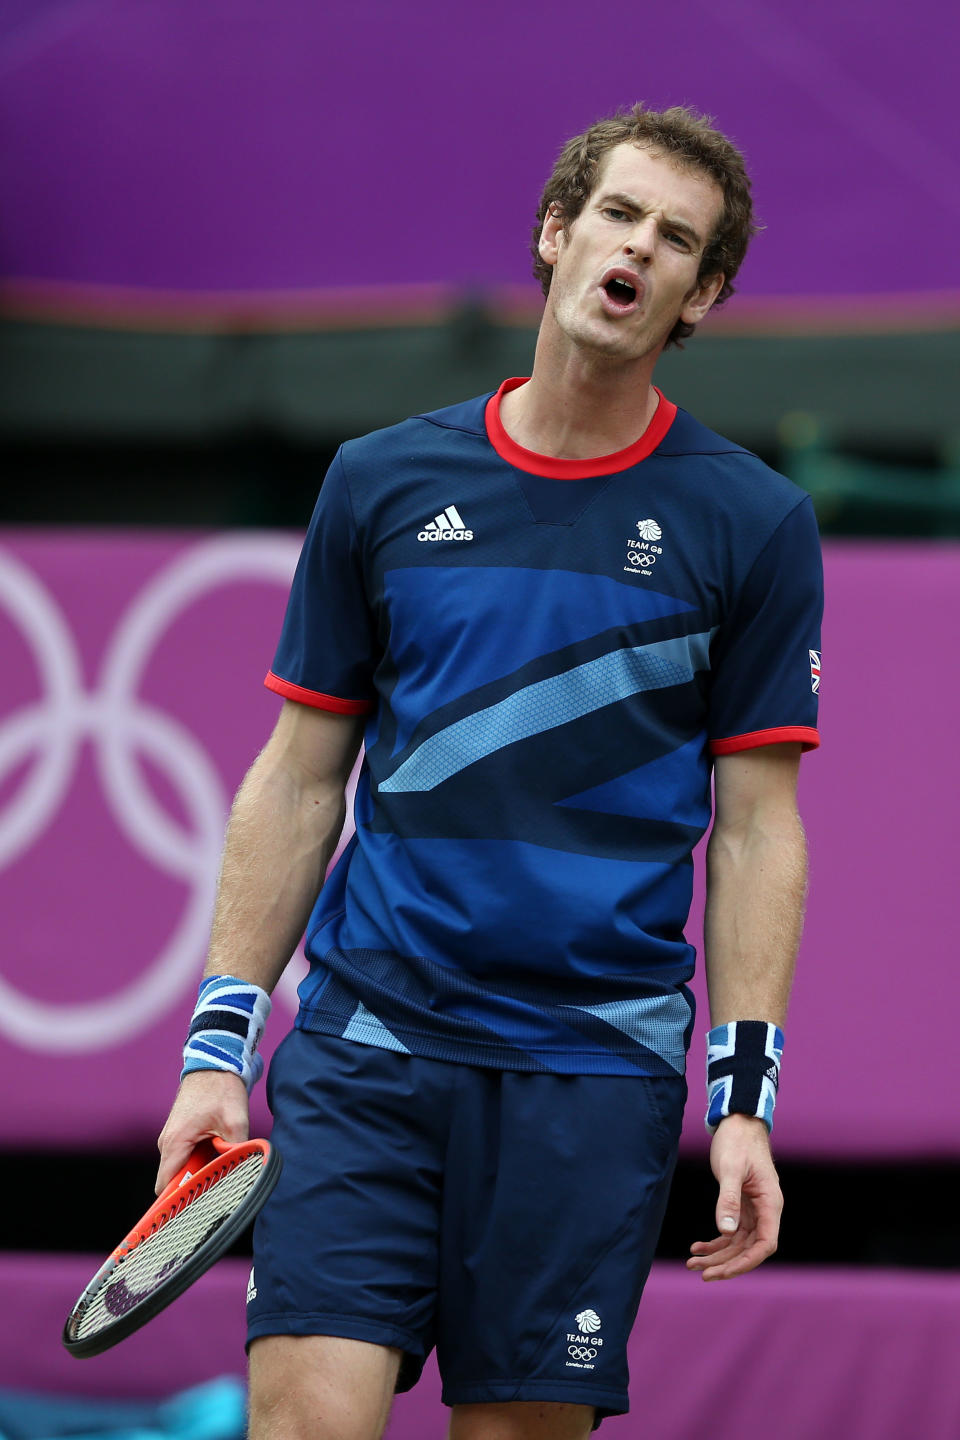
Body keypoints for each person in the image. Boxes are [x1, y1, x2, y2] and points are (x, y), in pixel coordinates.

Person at [156, 103, 822, 1440]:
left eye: (678, 240)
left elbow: (758, 831)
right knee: (300, 1421)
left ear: (702, 294)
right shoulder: (381, 485)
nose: (639, 250)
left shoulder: (751, 524)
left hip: (585, 1076)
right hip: (368, 1046)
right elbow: (297, 781)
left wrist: (742, 1107)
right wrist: (216, 1045)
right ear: (557, 233)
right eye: (620, 216)